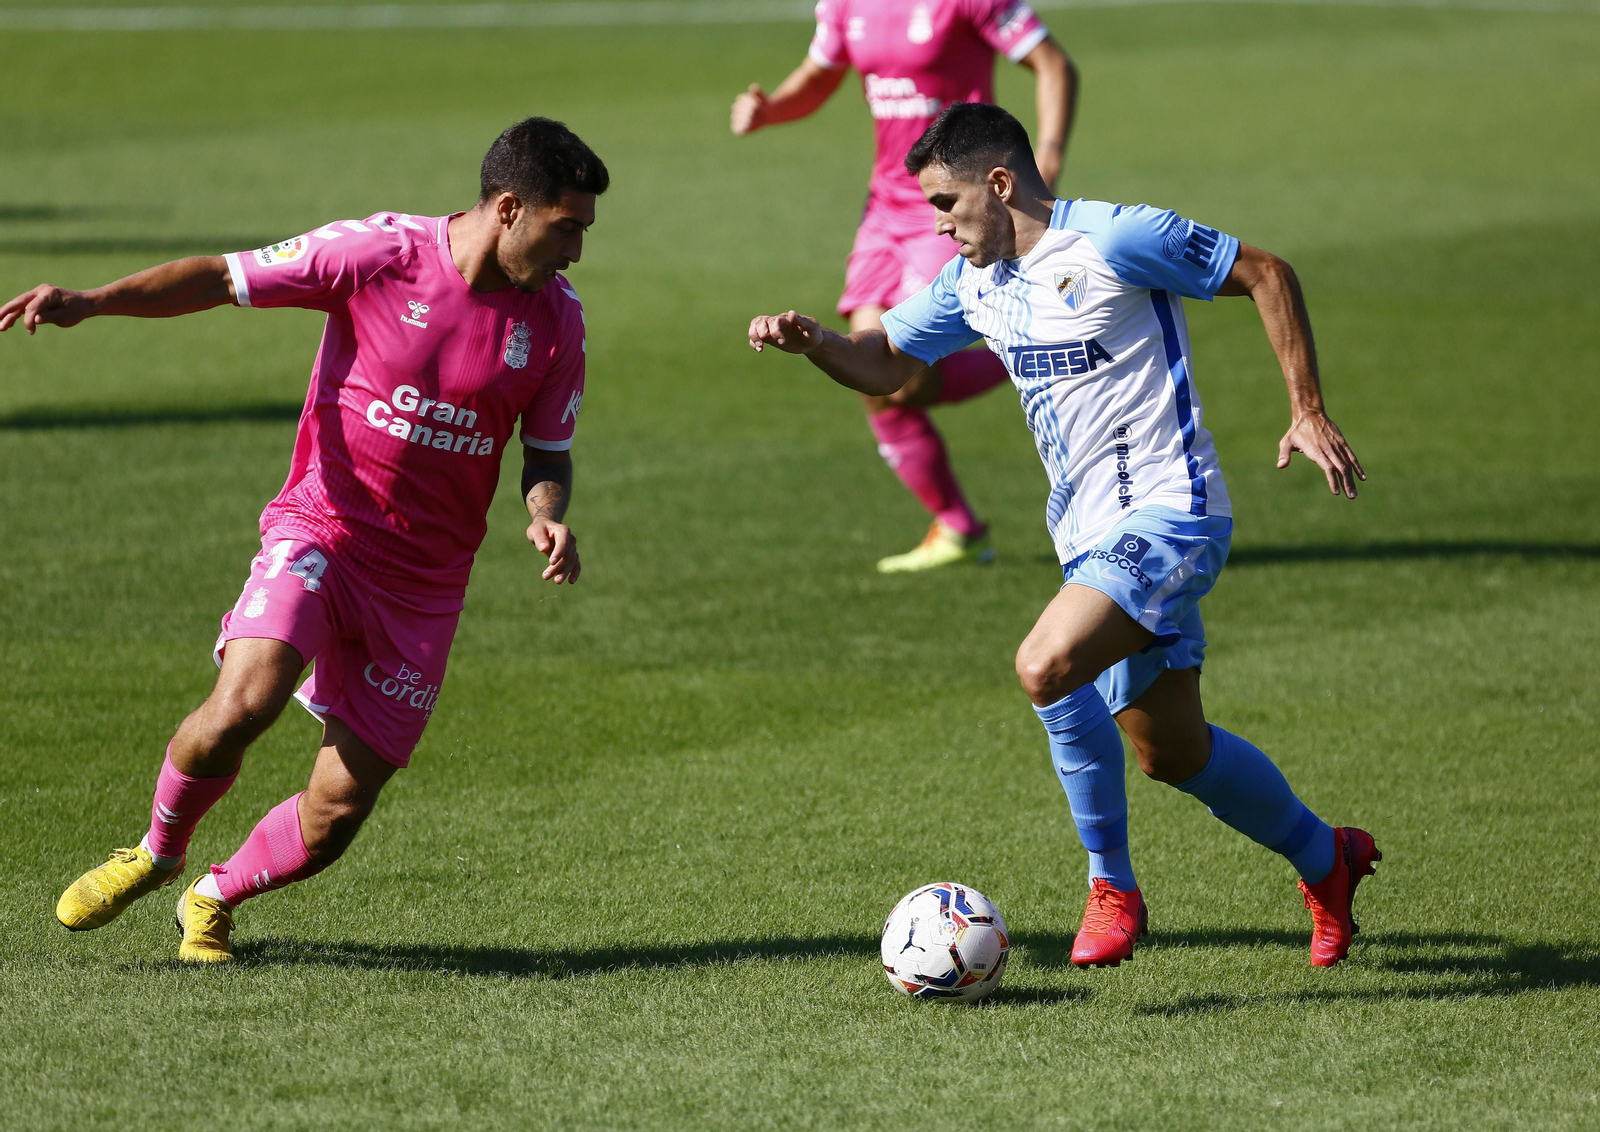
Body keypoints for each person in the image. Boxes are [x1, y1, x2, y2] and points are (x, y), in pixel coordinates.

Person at [748, 102, 1379, 968]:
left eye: (946, 204)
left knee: (1045, 665)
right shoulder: (977, 282)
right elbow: (888, 363)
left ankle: (1111, 888)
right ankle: (1327, 857)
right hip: (1086, 540)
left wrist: (1306, 408)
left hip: (1172, 513)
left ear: (1000, 183)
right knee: (1172, 752)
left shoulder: (1115, 240)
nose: (937, 226)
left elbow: (1266, 271)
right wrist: (815, 341)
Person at [4, 117, 604, 964]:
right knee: (243, 704)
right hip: (322, 527)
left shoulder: (557, 324)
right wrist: (97, 301)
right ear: (509, 207)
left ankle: (212, 894)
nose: (577, 249)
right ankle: (154, 850)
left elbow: (546, 450)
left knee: (335, 817)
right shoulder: (380, 254)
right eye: (567, 226)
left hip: (425, 584)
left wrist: (546, 510)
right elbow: (222, 276)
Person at [733, 0, 1078, 572]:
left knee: (900, 375)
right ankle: (960, 528)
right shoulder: (844, 5)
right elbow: (819, 77)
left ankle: (1040, 348)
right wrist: (771, 110)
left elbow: (1053, 64)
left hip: (947, 208)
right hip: (882, 213)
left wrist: (1047, 159)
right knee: (869, 373)